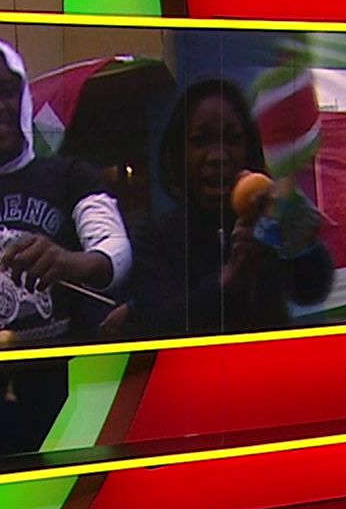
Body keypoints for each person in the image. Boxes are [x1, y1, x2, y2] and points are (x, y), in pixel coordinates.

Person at [0, 36, 132, 457]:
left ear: (23, 99)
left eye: (7, 91)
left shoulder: (71, 174)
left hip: (72, 400)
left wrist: (69, 262)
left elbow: (115, 248)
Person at [120, 79, 333, 336]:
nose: (218, 156)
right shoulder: (154, 235)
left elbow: (312, 290)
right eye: (201, 141)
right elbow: (159, 325)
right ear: (179, 153)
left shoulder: (267, 219)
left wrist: (302, 242)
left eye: (232, 140)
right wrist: (229, 278)